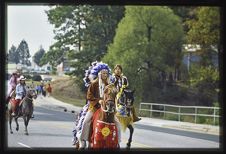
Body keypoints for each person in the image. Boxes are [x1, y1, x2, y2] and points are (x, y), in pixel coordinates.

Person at [78, 62, 121, 148]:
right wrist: (98, 101)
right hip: (94, 107)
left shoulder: (109, 85)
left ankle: (117, 142)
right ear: (99, 73)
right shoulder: (94, 83)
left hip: (107, 108)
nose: (105, 75)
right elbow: (89, 96)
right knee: (86, 120)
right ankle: (82, 140)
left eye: (106, 73)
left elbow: (113, 95)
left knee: (117, 122)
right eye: (103, 73)